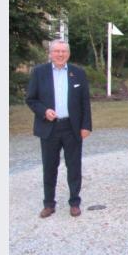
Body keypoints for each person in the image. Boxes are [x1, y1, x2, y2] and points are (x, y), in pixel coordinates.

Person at [26, 39, 92, 218]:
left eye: (63, 51)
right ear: (50, 53)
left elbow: (85, 102)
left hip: (72, 127)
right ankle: (49, 203)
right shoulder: (39, 72)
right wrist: (44, 111)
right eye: (57, 51)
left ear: (68, 54)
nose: (60, 54)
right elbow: (31, 99)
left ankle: (74, 202)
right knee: (49, 166)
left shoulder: (78, 73)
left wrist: (86, 126)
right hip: (49, 128)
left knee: (74, 166)